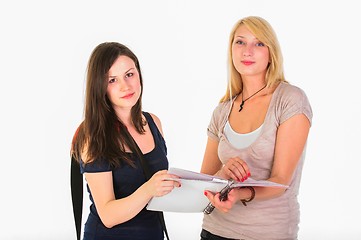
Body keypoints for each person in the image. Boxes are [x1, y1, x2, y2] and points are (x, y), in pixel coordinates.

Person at [200, 16, 313, 240]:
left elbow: (281, 180)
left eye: (259, 43)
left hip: (267, 233)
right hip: (215, 231)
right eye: (240, 42)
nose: (247, 51)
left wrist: (237, 193)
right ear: (231, 50)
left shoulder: (290, 100)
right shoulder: (222, 110)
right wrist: (223, 174)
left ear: (271, 53)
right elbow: (203, 180)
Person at [71, 42, 180, 240]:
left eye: (129, 74)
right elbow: (107, 215)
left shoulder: (153, 122)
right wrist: (149, 189)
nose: (125, 86)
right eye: (112, 80)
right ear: (100, 86)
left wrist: (211, 183)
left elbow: (159, 189)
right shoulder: (93, 135)